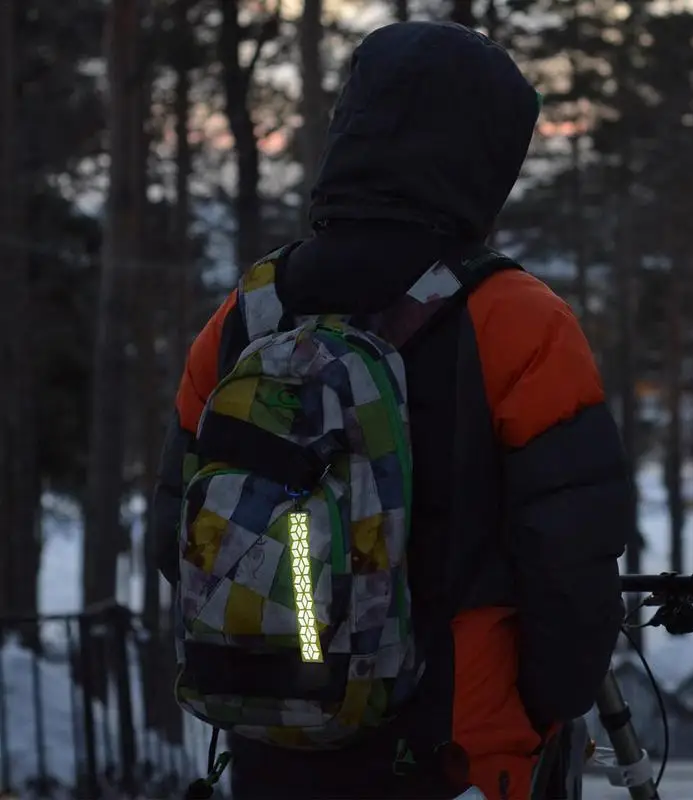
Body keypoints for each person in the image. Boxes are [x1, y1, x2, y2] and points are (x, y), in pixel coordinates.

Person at [154, 20, 631, 800]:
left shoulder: (247, 314)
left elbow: (175, 538)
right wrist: (541, 714)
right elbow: (571, 572)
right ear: (488, 155)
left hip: (274, 756)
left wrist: (299, 661)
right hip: (458, 757)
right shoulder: (518, 319)